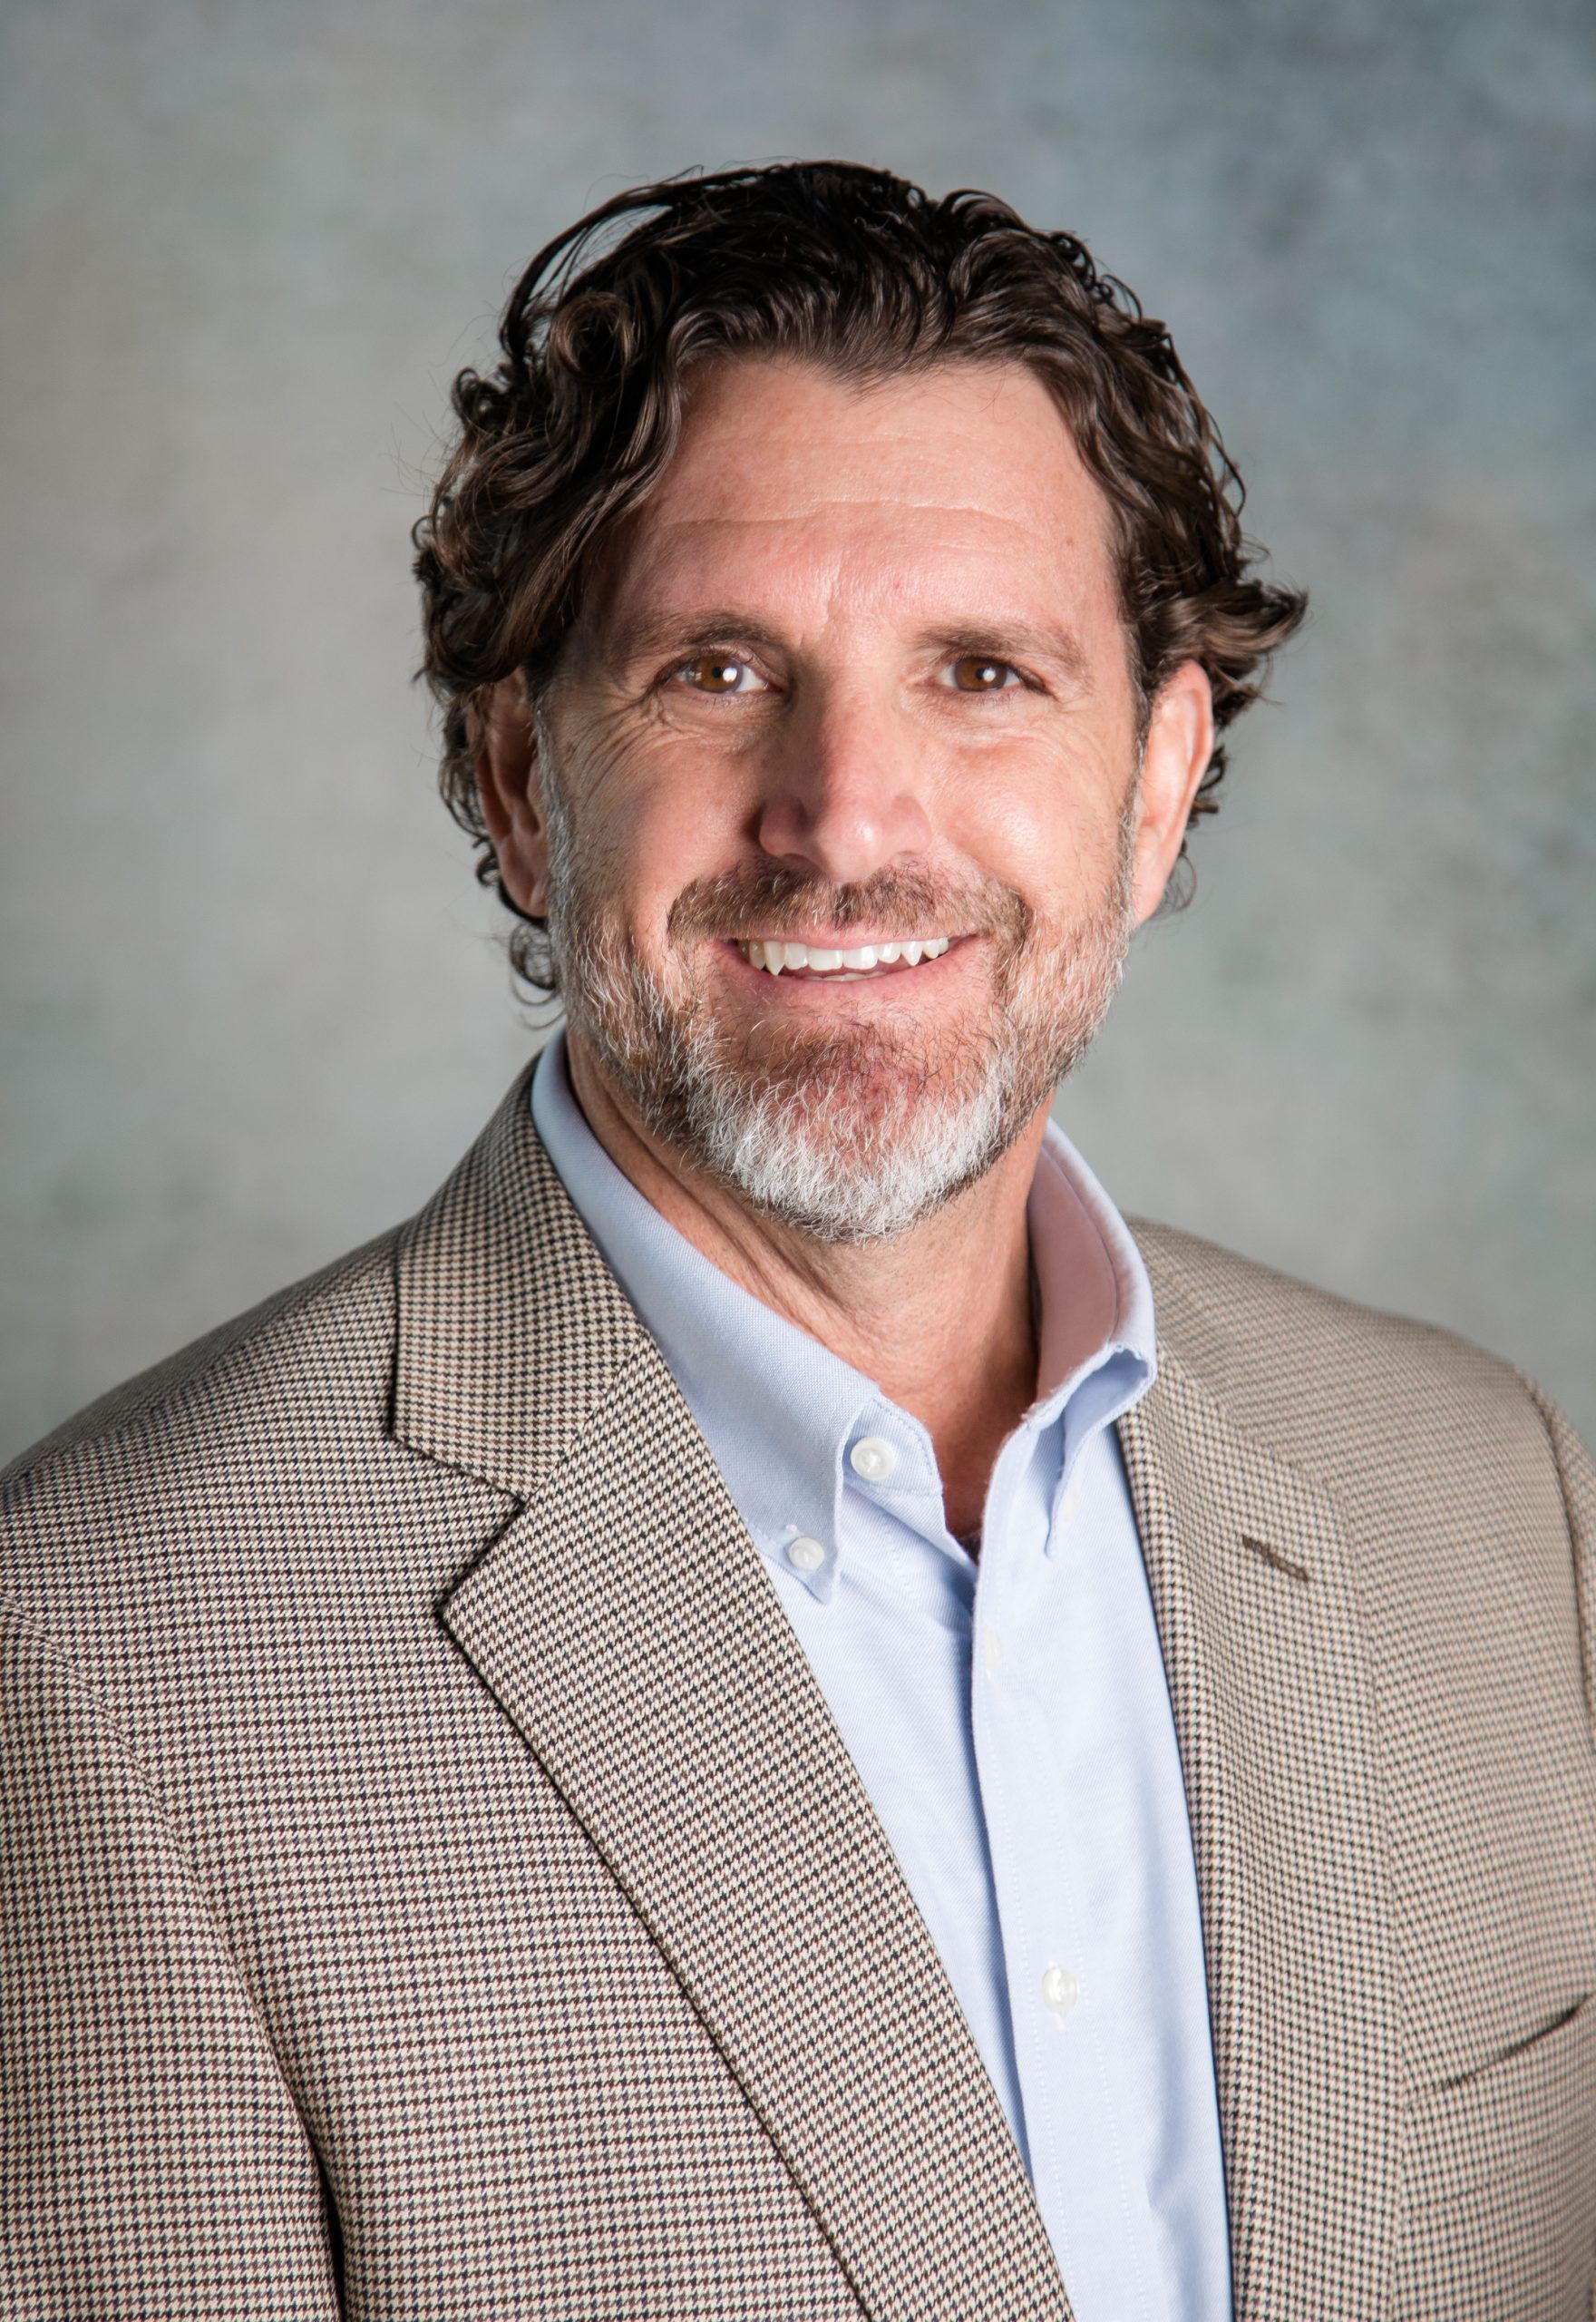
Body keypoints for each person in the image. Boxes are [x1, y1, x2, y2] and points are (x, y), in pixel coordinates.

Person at [3, 162, 1592, 2322]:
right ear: (517, 776)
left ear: (1153, 779)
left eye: (981, 672)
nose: (845, 814)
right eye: (720, 667)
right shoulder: (100, 1653)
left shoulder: (1487, 1490)